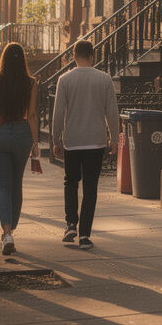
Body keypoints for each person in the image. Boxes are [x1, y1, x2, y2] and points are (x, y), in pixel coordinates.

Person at [49, 39, 119, 250]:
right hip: (95, 141)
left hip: (73, 141)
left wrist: (56, 139)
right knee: (90, 188)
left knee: (70, 182)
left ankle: (71, 223)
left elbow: (58, 112)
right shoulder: (104, 79)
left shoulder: (65, 79)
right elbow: (112, 112)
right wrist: (113, 138)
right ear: (92, 56)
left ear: (73, 56)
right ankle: (85, 235)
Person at [0, 42, 39, 255]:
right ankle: (12, 228)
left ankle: (6, 232)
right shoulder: (31, 83)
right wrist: (35, 144)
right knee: (17, 184)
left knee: (3, 186)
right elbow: (33, 115)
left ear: (3, 59)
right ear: (23, 60)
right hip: (22, 133)